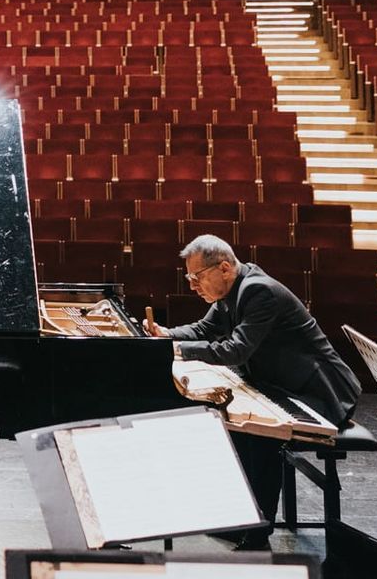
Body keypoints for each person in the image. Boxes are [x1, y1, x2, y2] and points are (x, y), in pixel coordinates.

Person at [144, 234, 362, 549]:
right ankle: (244, 519)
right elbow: (205, 330)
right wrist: (166, 335)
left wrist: (176, 350)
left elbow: (235, 350)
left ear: (224, 268)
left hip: (321, 393)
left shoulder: (259, 292)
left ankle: (259, 532)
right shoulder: (233, 290)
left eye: (197, 277)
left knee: (262, 434)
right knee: (233, 427)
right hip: (284, 385)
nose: (192, 285)